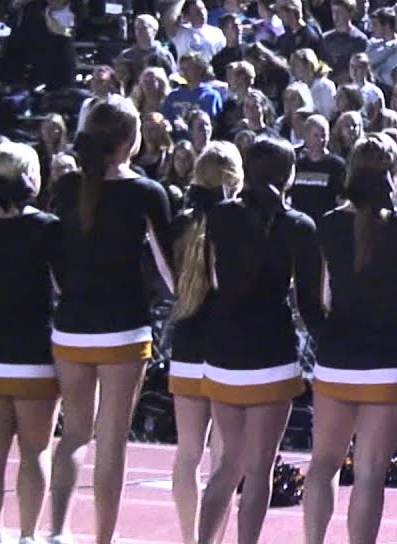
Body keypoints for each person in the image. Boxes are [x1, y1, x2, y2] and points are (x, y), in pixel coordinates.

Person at [48, 96, 174, 544]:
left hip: (72, 325)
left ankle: (57, 530)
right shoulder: (145, 192)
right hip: (123, 326)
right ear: (128, 140)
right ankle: (103, 536)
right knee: (112, 438)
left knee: (73, 433)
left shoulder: (65, 187)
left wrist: (68, 293)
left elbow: (55, 258)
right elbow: (168, 267)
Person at [305, 134, 397, 544]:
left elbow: (320, 296)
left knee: (323, 463)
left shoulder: (327, 223)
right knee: (370, 472)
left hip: (338, 358)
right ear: (394, 176)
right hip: (391, 360)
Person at [196, 137, 324, 544]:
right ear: (289, 177)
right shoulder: (299, 226)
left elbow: (211, 282)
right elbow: (309, 303)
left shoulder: (219, 215)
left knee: (227, 464)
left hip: (223, 350)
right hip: (271, 351)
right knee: (259, 468)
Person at [0, 142, 62, 544]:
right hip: (34, 349)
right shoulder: (47, 227)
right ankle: (26, 536)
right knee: (35, 451)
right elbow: (63, 286)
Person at [166, 142, 242, 544]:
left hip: (187, 340)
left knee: (187, 452)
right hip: (226, 348)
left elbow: (168, 280)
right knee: (224, 458)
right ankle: (211, 539)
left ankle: (187, 537)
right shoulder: (235, 222)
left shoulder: (180, 222)